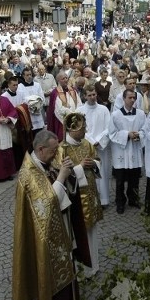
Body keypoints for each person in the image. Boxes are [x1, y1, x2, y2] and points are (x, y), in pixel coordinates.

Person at [12, 130, 78, 300]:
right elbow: (44, 206)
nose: (56, 153)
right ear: (40, 149)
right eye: (53, 150)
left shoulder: (46, 162)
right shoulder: (29, 174)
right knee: (47, 269)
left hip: (60, 227)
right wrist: (61, 178)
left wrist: (67, 174)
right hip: (43, 236)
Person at [56, 112, 104, 277]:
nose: (85, 130)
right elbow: (60, 174)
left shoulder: (86, 144)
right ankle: (83, 268)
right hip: (76, 199)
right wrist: (80, 167)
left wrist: (94, 164)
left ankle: (94, 264)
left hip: (90, 194)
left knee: (92, 231)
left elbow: (97, 159)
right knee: (79, 233)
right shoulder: (62, 149)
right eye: (83, 127)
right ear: (72, 129)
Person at [109, 89, 146, 213]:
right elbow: (112, 133)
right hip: (121, 152)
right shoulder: (115, 115)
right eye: (129, 98)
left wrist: (139, 135)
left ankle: (133, 199)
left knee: (134, 179)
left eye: (134, 98)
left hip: (135, 150)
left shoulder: (141, 114)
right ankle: (120, 202)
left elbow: (145, 130)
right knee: (120, 180)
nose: (132, 100)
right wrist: (126, 135)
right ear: (123, 99)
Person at [77, 85, 111, 208]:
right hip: (86, 147)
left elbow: (109, 128)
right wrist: (90, 141)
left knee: (102, 172)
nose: (92, 97)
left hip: (101, 147)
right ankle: (91, 199)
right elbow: (79, 129)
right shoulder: (79, 111)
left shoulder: (104, 109)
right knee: (88, 173)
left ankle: (103, 200)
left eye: (94, 94)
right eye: (89, 95)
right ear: (84, 96)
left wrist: (98, 141)